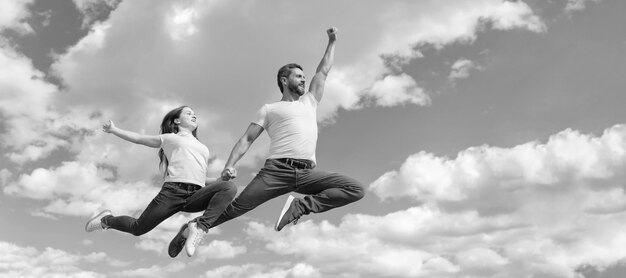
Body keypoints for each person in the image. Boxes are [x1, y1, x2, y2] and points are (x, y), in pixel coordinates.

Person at [170, 27, 365, 257]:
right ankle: (194, 227)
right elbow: (247, 139)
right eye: (298, 76)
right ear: (285, 80)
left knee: (355, 189)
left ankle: (300, 206)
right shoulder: (269, 109)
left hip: (306, 173)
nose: (304, 79)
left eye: (304, 76)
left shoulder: (310, 102)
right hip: (276, 171)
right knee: (237, 208)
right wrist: (228, 166)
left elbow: (323, 71)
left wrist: (332, 41)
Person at [84, 106, 237, 258]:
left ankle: (198, 228)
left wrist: (222, 179)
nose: (194, 115)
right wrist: (114, 130)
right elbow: (139, 138)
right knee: (138, 228)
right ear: (177, 120)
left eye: (195, 114)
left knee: (229, 187)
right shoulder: (170, 138)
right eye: (189, 113)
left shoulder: (203, 148)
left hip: (195, 195)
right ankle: (106, 220)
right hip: (172, 193)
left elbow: (200, 177)